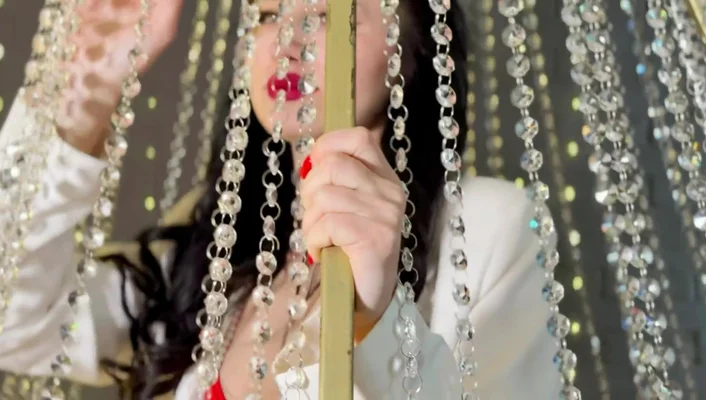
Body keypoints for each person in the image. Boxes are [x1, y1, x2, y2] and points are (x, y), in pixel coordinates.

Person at [0, 0, 560, 398]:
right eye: (268, 15)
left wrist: (378, 322)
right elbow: (16, 322)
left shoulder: (484, 227)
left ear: (412, 51)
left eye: (324, 15)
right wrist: (81, 103)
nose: (287, 42)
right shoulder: (212, 258)